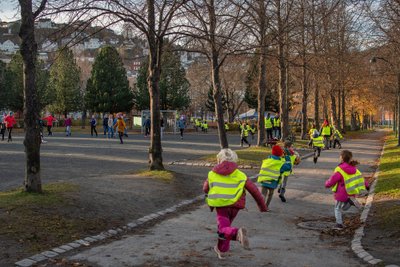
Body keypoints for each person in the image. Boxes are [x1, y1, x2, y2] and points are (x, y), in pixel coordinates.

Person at [203, 149, 267, 259]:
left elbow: (205, 187)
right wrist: (262, 206)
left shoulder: (212, 174)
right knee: (225, 228)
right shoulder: (241, 175)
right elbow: (254, 190)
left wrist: (208, 192)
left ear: (219, 160)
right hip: (235, 206)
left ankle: (237, 233)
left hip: (221, 205)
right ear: (235, 160)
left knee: (223, 229)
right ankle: (222, 250)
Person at [325, 150, 369, 230]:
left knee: (337, 208)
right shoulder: (354, 169)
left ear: (341, 158)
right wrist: (367, 185)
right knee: (343, 208)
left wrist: (327, 184)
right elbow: (361, 178)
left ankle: (339, 224)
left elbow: (333, 179)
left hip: (341, 192)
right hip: (351, 192)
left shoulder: (340, 169)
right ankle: (350, 202)